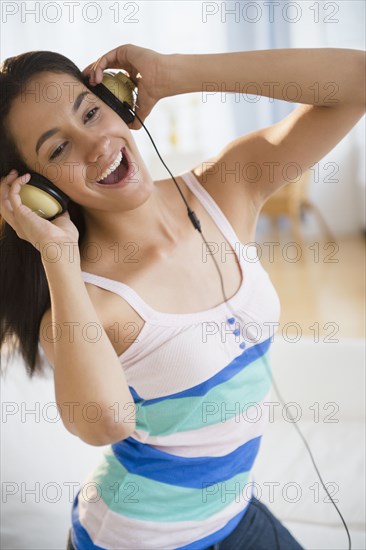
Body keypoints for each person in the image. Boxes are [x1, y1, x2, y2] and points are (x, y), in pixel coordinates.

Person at [0, 43, 364, 550]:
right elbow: (103, 423)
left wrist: (175, 72)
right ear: (40, 191)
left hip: (234, 513)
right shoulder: (87, 302)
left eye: (91, 111)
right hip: (136, 540)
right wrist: (56, 254)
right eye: (57, 149)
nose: (96, 145)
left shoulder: (227, 186)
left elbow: (357, 80)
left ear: (118, 101)